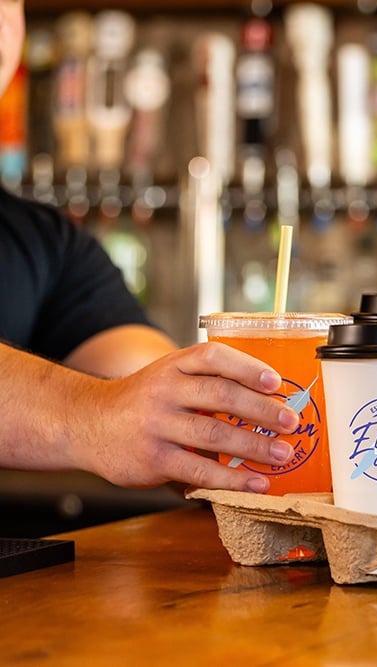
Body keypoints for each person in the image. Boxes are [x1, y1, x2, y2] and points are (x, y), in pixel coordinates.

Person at [0, 0, 296, 494]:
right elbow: (111, 413)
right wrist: (92, 414)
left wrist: (233, 425)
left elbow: (151, 386)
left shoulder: (42, 242)